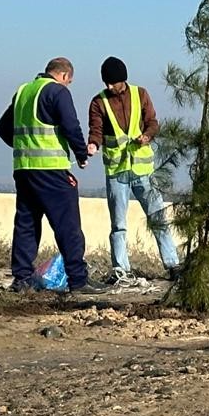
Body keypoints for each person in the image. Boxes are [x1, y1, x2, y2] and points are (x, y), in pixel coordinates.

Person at [0, 58, 107, 294]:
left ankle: (22, 280)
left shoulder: (23, 92)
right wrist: (81, 154)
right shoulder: (57, 92)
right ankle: (78, 280)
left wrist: (24, 146)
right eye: (70, 82)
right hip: (51, 170)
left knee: (26, 224)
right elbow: (71, 125)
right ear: (65, 76)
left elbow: (2, 128)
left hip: (24, 169)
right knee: (68, 225)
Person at [86, 57, 181, 285]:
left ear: (122, 80)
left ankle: (173, 265)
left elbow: (153, 122)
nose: (109, 87)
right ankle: (121, 270)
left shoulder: (141, 94)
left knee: (157, 217)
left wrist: (147, 136)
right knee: (118, 224)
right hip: (117, 171)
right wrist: (93, 144)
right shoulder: (98, 102)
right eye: (106, 83)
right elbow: (96, 130)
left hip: (143, 170)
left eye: (112, 83)